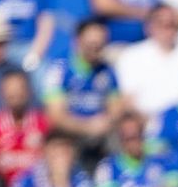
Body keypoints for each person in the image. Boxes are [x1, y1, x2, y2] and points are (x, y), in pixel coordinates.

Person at [41, 16, 120, 153]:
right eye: (90, 44)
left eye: (99, 45)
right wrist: (87, 127)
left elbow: (116, 106)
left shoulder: (107, 71)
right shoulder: (59, 70)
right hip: (68, 139)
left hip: (100, 138)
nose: (95, 50)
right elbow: (55, 116)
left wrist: (107, 122)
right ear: (77, 41)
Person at [114, 5, 178, 121]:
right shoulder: (131, 56)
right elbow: (128, 99)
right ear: (149, 26)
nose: (168, 29)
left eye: (171, 24)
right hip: (144, 124)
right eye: (162, 24)